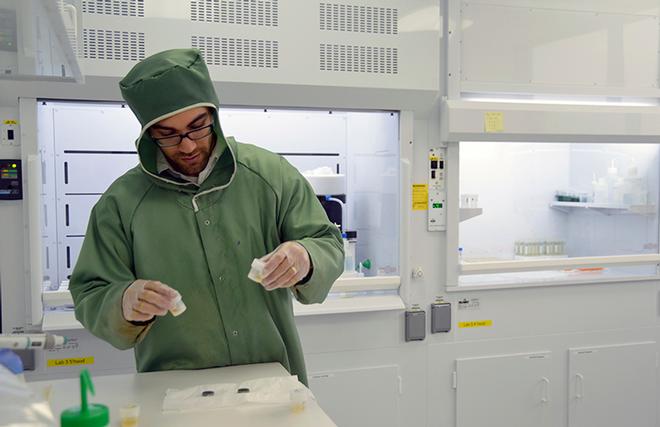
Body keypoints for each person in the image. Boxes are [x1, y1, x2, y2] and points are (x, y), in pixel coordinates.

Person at [69, 48, 344, 385]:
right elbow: (89, 293)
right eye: (168, 134)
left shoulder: (270, 176)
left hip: (271, 380)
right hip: (173, 390)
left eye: (198, 127)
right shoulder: (121, 205)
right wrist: (123, 302)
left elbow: (327, 242)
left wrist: (306, 257)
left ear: (214, 115)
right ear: (147, 135)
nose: (187, 147)